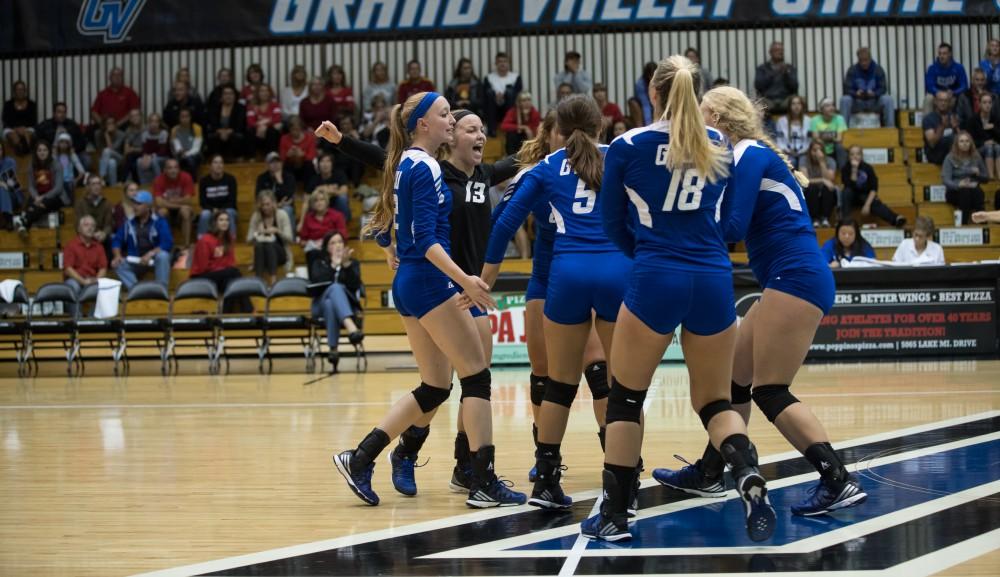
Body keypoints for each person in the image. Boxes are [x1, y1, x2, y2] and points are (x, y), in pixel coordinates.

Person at [582, 56, 773, 542]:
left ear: (653, 90)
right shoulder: (719, 143)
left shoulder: (627, 145)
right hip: (712, 278)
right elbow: (726, 219)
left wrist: (643, 252)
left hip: (656, 276)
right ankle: (746, 473)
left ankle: (616, 515)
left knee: (625, 396)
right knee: (714, 400)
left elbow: (610, 221)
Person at [654, 85, 866, 518]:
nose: (696, 122)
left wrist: (675, 230)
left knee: (770, 390)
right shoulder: (744, 155)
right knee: (734, 381)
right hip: (790, 278)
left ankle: (836, 478)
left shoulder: (749, 152)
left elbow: (732, 224)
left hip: (797, 277)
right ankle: (712, 471)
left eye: (701, 114)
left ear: (717, 117)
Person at [330, 91, 525, 509]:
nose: (451, 121)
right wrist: (465, 281)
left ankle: (360, 458)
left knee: (436, 386)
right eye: (443, 115)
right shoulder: (423, 167)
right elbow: (426, 241)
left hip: (415, 282)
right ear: (422, 124)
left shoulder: (412, 163)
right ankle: (481, 479)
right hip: (428, 280)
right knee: (476, 378)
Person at [484, 95, 625, 514]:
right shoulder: (622, 155)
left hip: (565, 274)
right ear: (601, 126)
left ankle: (546, 478)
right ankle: (623, 476)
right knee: (623, 384)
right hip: (617, 271)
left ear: (558, 130)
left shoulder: (543, 168)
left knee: (560, 384)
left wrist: (484, 280)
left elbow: (503, 223)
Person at [308, 231, 365, 371]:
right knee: (334, 288)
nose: (337, 245)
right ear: (327, 247)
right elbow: (316, 282)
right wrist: (333, 265)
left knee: (330, 304)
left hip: (345, 306)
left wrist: (346, 266)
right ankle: (351, 328)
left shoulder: (352, 263)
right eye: (333, 243)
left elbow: (356, 286)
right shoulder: (318, 263)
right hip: (318, 305)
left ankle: (333, 350)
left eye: (340, 242)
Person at [111, 190, 173, 289]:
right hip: (136, 260)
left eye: (138, 204)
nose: (135, 207)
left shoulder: (159, 221)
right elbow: (117, 240)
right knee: (117, 264)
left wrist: (150, 254)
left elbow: (167, 243)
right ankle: (138, 290)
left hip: (154, 260)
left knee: (163, 256)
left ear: (148, 206)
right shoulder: (129, 222)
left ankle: (161, 290)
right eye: (134, 203)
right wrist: (117, 255)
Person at [190, 211, 244, 311]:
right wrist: (223, 268)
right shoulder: (205, 240)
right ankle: (248, 309)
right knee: (234, 272)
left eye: (227, 220)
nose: (225, 222)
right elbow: (203, 267)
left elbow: (231, 262)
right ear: (214, 223)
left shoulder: (229, 239)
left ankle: (225, 316)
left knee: (231, 283)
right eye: (221, 220)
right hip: (200, 276)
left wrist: (223, 269)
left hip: (221, 275)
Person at [840, 145, 906, 227]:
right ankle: (845, 222)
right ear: (848, 156)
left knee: (874, 201)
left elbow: (874, 188)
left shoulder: (868, 168)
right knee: (846, 192)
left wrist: (867, 205)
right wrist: (854, 169)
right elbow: (850, 185)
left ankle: (895, 219)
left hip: (865, 196)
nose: (855, 156)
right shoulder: (845, 169)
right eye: (852, 154)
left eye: (857, 154)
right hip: (851, 198)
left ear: (861, 156)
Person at [14, 140, 66, 232]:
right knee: (31, 203)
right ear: (36, 152)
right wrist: (36, 197)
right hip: (37, 196)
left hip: (54, 196)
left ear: (49, 151)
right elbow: (30, 186)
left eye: (45, 150)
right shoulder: (31, 165)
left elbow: (58, 188)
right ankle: (24, 225)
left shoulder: (57, 165)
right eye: (39, 150)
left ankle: (23, 222)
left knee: (41, 204)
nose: (42, 152)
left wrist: (42, 198)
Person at [840, 47, 895, 128]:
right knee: (844, 100)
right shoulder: (852, 70)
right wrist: (855, 93)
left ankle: (890, 129)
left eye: (866, 60)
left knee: (888, 99)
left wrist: (874, 94)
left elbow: (883, 88)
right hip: (858, 102)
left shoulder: (878, 69)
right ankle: (843, 130)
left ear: (870, 58)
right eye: (861, 60)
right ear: (858, 59)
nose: (863, 63)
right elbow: (847, 89)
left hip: (874, 102)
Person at [247, 191, 293, 284]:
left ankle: (273, 280)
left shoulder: (282, 214)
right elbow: (248, 240)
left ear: (274, 203)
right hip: (262, 255)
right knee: (259, 245)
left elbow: (290, 239)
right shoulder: (256, 216)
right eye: (263, 205)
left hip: (280, 254)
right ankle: (258, 280)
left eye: (268, 204)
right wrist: (257, 232)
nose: (265, 207)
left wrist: (277, 231)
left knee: (269, 244)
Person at [942, 131, 988, 224]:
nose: (965, 144)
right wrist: (959, 184)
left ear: (971, 143)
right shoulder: (949, 158)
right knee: (965, 192)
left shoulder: (976, 157)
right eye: (961, 141)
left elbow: (986, 178)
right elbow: (946, 180)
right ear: (957, 144)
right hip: (954, 191)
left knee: (978, 192)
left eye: (967, 141)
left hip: (973, 189)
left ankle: (983, 223)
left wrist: (978, 174)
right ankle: (964, 223)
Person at [63, 215, 108, 308]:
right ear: (79, 229)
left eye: (93, 226)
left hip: (92, 279)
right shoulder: (71, 245)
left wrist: (96, 280)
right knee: (72, 286)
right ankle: (76, 320)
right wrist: (83, 282)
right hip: (76, 280)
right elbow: (68, 269)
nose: (90, 228)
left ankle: (93, 321)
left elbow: (103, 268)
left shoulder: (99, 247)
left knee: (104, 287)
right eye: (86, 225)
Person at [152, 158, 195, 250]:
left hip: (180, 212)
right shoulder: (158, 180)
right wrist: (180, 203)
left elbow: (188, 200)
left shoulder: (186, 177)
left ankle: (186, 245)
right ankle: (167, 244)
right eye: (170, 168)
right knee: (161, 212)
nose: (173, 170)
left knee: (186, 211)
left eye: (176, 168)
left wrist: (169, 201)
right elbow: (159, 203)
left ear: (179, 169)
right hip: (168, 212)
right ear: (165, 170)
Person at [298, 189, 347, 264]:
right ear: (312, 204)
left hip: (332, 248)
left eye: (322, 200)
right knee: (313, 253)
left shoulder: (337, 215)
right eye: (316, 201)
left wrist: (327, 242)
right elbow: (303, 240)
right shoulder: (308, 218)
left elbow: (343, 235)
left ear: (326, 202)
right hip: (314, 250)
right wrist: (311, 243)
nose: (319, 203)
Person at [197, 155, 238, 239]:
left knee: (229, 212)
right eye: (215, 162)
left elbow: (232, 201)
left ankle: (231, 241)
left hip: (228, 209)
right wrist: (213, 210)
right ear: (210, 166)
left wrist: (221, 211)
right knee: (204, 214)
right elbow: (202, 202)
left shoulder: (231, 179)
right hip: (211, 210)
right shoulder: (204, 181)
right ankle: (201, 240)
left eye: (221, 162)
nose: (218, 165)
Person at [483, 52, 522, 136]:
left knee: (510, 92)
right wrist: (496, 97)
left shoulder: (515, 77)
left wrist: (504, 96)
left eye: (505, 61)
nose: (502, 64)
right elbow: (485, 95)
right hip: (493, 108)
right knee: (490, 93)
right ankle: (491, 130)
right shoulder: (489, 78)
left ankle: (509, 128)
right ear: (496, 63)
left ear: (508, 63)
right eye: (500, 61)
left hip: (510, 106)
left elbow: (518, 93)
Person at [74, 174, 114, 254]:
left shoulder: (107, 203)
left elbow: (109, 224)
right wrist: (92, 234)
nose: (97, 187)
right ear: (88, 187)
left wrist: (104, 233)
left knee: (110, 240)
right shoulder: (80, 203)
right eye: (93, 184)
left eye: (98, 184)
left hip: (102, 236)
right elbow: (78, 224)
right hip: (86, 235)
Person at [755, 41, 799, 114]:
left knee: (797, 100)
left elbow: (795, 87)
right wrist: (774, 73)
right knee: (759, 103)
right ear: (770, 52)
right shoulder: (762, 68)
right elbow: (758, 86)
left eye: (781, 50)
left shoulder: (789, 68)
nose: (780, 52)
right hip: (768, 99)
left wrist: (787, 75)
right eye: (777, 50)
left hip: (785, 99)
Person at [963, 92, 1000, 179]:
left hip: (995, 146)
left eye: (989, 102)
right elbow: (969, 141)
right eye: (984, 102)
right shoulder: (972, 120)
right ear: (979, 104)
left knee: (998, 147)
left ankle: (999, 176)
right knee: (989, 148)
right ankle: (990, 176)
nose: (987, 105)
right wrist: (984, 143)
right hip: (978, 148)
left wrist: (993, 128)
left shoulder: (996, 119)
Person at [205, 85, 247, 162]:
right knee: (212, 137)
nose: (228, 96)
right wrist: (220, 131)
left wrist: (228, 132)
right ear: (221, 96)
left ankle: (237, 160)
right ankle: (216, 160)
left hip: (234, 133)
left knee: (237, 138)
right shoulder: (215, 108)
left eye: (231, 94)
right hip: (218, 133)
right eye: (225, 94)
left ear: (235, 96)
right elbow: (213, 123)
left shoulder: (241, 108)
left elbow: (239, 124)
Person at [802, 141, 838, 227]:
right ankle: (814, 219)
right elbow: (804, 180)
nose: (817, 153)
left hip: (825, 191)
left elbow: (830, 179)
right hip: (809, 191)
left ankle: (825, 218)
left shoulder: (830, 161)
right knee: (812, 188)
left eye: (820, 150)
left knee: (829, 188)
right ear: (810, 151)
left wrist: (822, 162)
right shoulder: (804, 160)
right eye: (814, 150)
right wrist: (822, 180)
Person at [306, 153, 350, 222]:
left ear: (332, 164)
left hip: (336, 207)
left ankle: (343, 222)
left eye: (328, 161)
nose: (325, 164)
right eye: (322, 161)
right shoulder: (314, 179)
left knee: (342, 198)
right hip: (320, 208)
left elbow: (344, 191)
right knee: (311, 201)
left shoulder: (339, 175)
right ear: (318, 164)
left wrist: (329, 191)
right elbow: (306, 198)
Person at [256, 152, 297, 225]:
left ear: (281, 164)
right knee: (256, 213)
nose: (276, 164)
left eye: (278, 162)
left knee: (287, 210)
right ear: (267, 165)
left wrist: (280, 181)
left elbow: (288, 198)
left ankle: (290, 236)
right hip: (267, 207)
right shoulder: (262, 178)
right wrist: (275, 205)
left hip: (285, 207)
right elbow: (258, 196)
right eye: (272, 162)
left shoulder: (289, 177)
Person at [924, 43, 968, 110]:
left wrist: (954, 92)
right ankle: (927, 120)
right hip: (937, 95)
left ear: (950, 54)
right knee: (928, 98)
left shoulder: (959, 68)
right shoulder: (932, 68)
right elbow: (929, 86)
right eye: (940, 53)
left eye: (944, 53)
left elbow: (964, 86)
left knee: (963, 97)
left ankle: (959, 120)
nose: (941, 56)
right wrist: (938, 92)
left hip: (953, 96)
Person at [924, 90, 961, 165]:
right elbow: (932, 143)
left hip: (950, 151)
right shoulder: (928, 119)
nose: (943, 103)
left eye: (946, 101)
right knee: (952, 139)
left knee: (963, 140)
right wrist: (942, 126)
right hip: (935, 153)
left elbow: (961, 137)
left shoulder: (952, 116)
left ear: (949, 103)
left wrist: (956, 128)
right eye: (940, 100)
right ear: (935, 102)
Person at [809, 97, 847, 167]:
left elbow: (839, 139)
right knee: (816, 147)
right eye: (827, 106)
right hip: (821, 149)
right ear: (821, 109)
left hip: (834, 150)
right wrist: (831, 138)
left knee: (839, 147)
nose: (831, 108)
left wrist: (823, 138)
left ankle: (843, 171)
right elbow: (816, 138)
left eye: (832, 105)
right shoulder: (815, 120)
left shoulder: (839, 118)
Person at [247, 84, 283, 157]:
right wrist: (262, 125)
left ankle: (272, 156)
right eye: (262, 91)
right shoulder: (251, 106)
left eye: (266, 90)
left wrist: (265, 125)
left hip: (269, 131)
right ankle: (252, 157)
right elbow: (250, 122)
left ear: (270, 93)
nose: (264, 93)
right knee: (250, 131)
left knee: (272, 131)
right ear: (257, 93)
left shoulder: (275, 105)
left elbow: (277, 119)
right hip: (257, 131)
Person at [775, 95, 811, 169]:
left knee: (803, 162)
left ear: (802, 106)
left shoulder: (808, 121)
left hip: (804, 153)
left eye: (799, 104)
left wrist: (803, 151)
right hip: (786, 152)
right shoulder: (781, 121)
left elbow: (809, 141)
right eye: (793, 104)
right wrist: (786, 150)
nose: (796, 106)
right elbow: (779, 141)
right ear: (789, 107)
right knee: (791, 162)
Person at [279, 115, 317, 184]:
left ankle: (308, 190)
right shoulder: (284, 138)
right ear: (289, 129)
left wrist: (303, 155)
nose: (294, 132)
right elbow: (281, 157)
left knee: (309, 165)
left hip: (305, 167)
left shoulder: (310, 138)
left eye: (297, 129)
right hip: (291, 167)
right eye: (292, 130)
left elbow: (312, 156)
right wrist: (288, 155)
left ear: (301, 128)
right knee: (285, 166)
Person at [2, 80, 37, 155]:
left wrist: (23, 128)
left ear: (25, 91)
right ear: (14, 91)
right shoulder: (8, 104)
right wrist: (16, 129)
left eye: (22, 89)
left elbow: (33, 120)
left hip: (27, 127)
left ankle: (27, 154)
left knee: (28, 134)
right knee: (13, 136)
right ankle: (18, 153)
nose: (20, 91)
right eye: (18, 89)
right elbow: (5, 119)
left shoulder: (31, 104)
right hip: (11, 128)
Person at [170, 108, 203, 175]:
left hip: (194, 154)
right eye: (182, 117)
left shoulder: (197, 128)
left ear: (190, 117)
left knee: (190, 160)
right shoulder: (174, 130)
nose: (185, 119)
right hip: (180, 154)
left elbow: (196, 148)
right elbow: (177, 146)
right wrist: (180, 152)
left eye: (187, 116)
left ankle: (194, 181)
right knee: (175, 162)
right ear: (179, 118)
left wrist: (186, 154)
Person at [0, 141, 22, 230]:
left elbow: (12, 184)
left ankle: (8, 218)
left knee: (2, 189)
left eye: (0, 149)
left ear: (3, 151)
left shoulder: (9, 162)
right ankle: (7, 218)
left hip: (13, 196)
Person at [97, 116, 125, 185]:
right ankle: (113, 186)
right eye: (108, 123)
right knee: (111, 162)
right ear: (104, 125)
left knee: (107, 150)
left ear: (115, 124)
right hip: (105, 159)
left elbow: (112, 149)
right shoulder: (98, 134)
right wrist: (105, 133)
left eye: (112, 123)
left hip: (119, 158)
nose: (111, 125)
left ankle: (101, 177)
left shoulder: (121, 134)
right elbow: (100, 151)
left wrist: (107, 135)